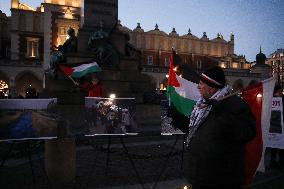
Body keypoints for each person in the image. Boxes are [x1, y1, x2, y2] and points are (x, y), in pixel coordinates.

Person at [184, 66, 256, 189]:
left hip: (222, 178)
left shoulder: (235, 104)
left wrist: (222, 114)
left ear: (211, 88)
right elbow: (195, 129)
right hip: (200, 175)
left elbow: (248, 132)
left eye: (201, 84)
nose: (198, 86)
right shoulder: (201, 104)